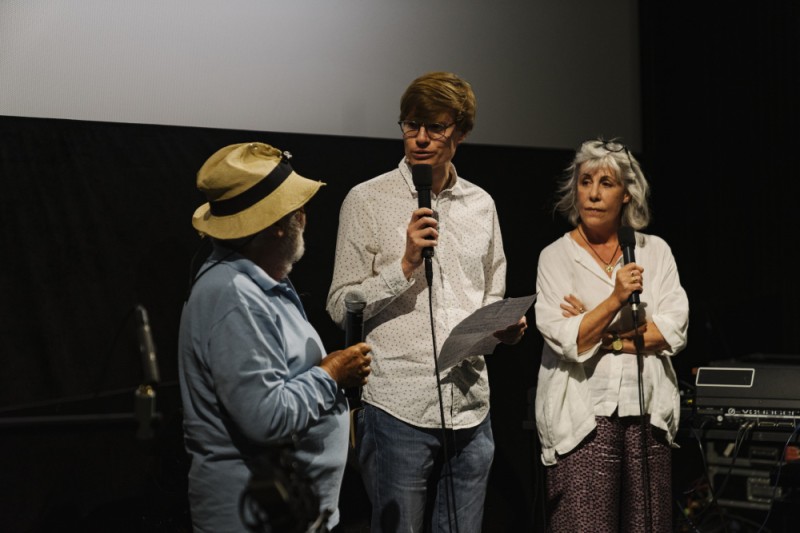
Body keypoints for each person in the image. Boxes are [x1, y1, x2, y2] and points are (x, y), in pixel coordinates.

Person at [326, 71, 527, 533]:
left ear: (461, 132)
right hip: (398, 405)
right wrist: (403, 267)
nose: (419, 139)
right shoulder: (367, 200)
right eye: (410, 124)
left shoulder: (482, 205)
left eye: (434, 127)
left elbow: (491, 292)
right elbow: (341, 305)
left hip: (471, 404)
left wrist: (503, 327)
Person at [178, 142, 372, 533]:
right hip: (255, 518)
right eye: (298, 208)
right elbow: (265, 418)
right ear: (280, 223)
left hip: (285, 514)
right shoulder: (232, 294)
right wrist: (332, 372)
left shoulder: (257, 283)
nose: (305, 215)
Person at [533, 138, 689, 532]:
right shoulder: (555, 257)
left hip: (648, 413)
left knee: (648, 526)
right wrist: (617, 299)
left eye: (606, 183)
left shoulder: (655, 251)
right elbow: (565, 338)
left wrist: (603, 332)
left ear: (626, 194)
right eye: (586, 181)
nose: (594, 193)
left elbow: (673, 329)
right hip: (583, 417)